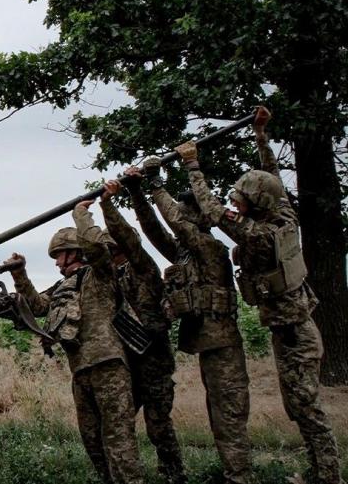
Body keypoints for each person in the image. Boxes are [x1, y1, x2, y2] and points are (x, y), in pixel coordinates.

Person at [176, 106, 343, 484]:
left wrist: (192, 165)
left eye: (241, 199)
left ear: (257, 204)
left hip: (294, 334)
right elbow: (273, 175)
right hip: (291, 328)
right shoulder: (283, 214)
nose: (236, 202)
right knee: (299, 405)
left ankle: (328, 476)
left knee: (306, 407)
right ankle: (320, 472)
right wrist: (261, 134)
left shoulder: (259, 234)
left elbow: (212, 210)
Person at [122, 161, 251, 484]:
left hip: (222, 344)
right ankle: (233, 473)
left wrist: (155, 183)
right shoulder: (185, 253)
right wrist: (136, 193)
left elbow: (177, 225)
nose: (179, 213)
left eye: (184, 211)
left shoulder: (209, 248)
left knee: (228, 415)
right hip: (207, 342)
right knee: (219, 414)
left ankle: (240, 476)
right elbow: (154, 231)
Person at [5, 200, 143, 484]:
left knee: (118, 438)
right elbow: (38, 306)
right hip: (80, 371)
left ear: (75, 252)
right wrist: (19, 274)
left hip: (108, 365)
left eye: (59, 255)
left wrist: (81, 214)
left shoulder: (100, 275)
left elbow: (96, 248)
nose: (56, 262)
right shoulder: (62, 286)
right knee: (92, 439)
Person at [99, 179, 186, 484]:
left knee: (158, 426)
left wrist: (107, 205)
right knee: (118, 424)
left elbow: (129, 241)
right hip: (127, 362)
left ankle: (174, 475)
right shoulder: (109, 279)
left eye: (112, 249)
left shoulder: (144, 269)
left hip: (154, 361)